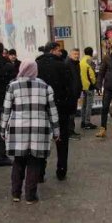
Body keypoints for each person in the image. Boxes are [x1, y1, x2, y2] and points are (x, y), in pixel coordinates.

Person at [1, 61, 61, 204]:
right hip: (39, 129)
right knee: (34, 162)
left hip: (18, 129)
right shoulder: (45, 86)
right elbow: (52, 111)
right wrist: (56, 130)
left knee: (18, 161)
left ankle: (16, 193)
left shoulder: (12, 86)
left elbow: (6, 110)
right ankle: (30, 196)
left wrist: (2, 129)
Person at [36, 41, 74, 181]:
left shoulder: (37, 65)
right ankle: (61, 170)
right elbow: (70, 87)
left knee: (41, 140)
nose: (60, 52)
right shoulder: (62, 65)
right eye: (58, 50)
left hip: (41, 108)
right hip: (60, 107)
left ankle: (40, 172)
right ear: (52, 50)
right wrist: (70, 107)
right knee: (62, 140)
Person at [66, 48, 84, 139]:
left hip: (75, 93)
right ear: (70, 55)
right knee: (70, 113)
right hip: (70, 94)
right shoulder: (68, 64)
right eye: (75, 54)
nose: (77, 56)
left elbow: (77, 78)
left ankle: (71, 130)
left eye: (78, 54)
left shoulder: (76, 64)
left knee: (73, 112)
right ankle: (69, 132)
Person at [79, 47, 99, 130]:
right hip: (89, 86)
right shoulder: (89, 61)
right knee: (89, 105)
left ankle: (83, 122)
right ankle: (87, 122)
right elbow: (92, 74)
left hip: (83, 85)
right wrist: (95, 83)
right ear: (91, 53)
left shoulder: (81, 61)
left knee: (84, 105)